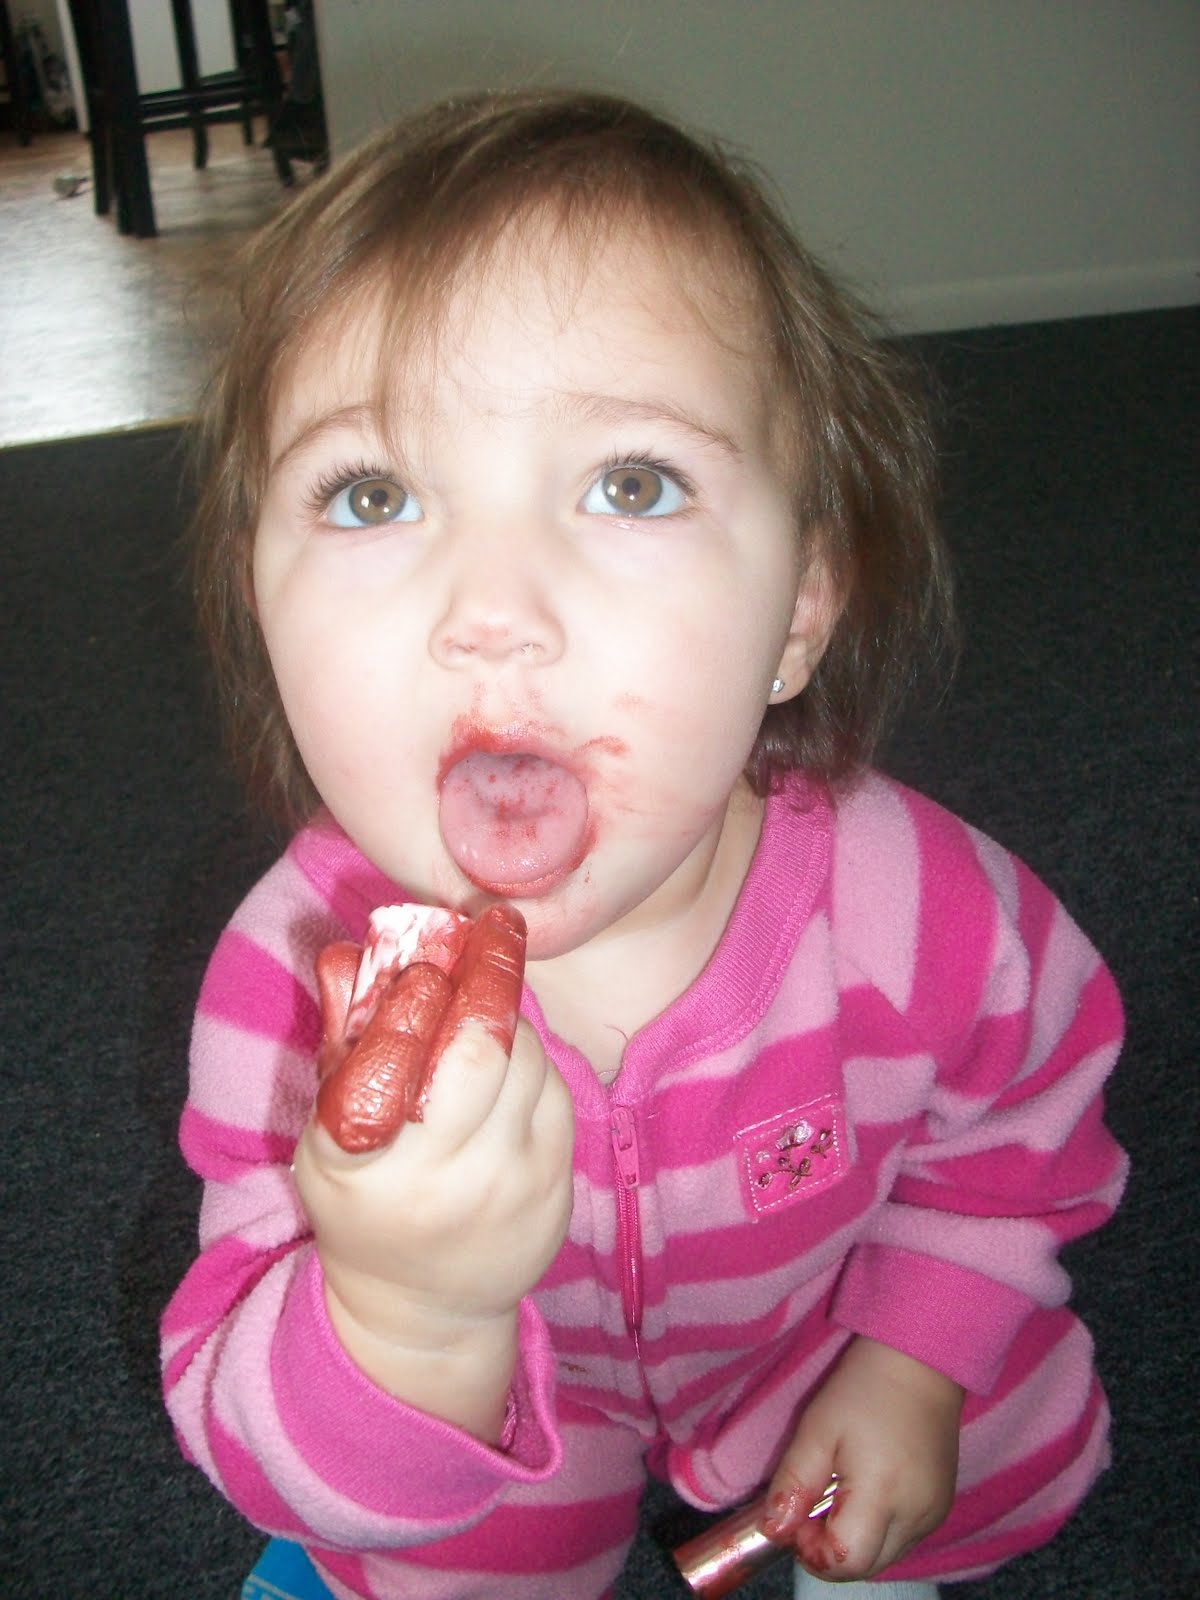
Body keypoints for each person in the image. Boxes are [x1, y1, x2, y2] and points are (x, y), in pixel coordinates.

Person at [161, 89, 1127, 1600]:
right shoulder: (296, 987)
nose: (494, 614)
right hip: (505, 1391)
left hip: (812, 1338)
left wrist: (914, 1354)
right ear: (258, 602)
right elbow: (232, 1411)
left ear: (799, 609)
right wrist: (406, 1313)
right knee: (401, 1533)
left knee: (1012, 1439)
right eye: (373, 495)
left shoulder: (934, 921)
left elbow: (1017, 1142)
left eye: (631, 485)